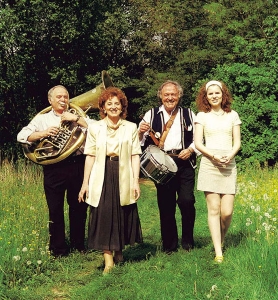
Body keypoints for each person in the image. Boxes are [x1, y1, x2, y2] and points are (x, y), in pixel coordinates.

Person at [17, 85, 91, 257]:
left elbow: (97, 131)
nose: (63, 100)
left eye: (65, 97)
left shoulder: (77, 114)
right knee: (55, 209)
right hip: (54, 168)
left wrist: (77, 119)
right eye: (58, 97)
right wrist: (43, 133)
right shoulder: (41, 119)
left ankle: (78, 245)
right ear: (50, 100)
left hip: (77, 164)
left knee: (79, 207)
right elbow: (21, 135)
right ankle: (58, 249)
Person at [78, 87, 142, 274]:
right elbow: (89, 155)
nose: (114, 107)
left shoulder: (131, 127)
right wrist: (85, 183)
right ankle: (109, 261)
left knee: (122, 211)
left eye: (117, 104)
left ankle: (119, 249)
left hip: (123, 173)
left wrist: (136, 181)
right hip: (101, 174)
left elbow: (135, 155)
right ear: (103, 107)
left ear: (122, 107)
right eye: (109, 104)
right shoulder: (95, 127)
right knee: (105, 214)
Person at [138, 80, 198, 253]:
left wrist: (191, 149)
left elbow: (199, 137)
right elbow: (139, 140)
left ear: (179, 95)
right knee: (166, 205)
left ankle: (188, 242)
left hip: (185, 161)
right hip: (162, 164)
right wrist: (141, 131)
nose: (170, 97)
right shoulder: (151, 114)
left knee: (187, 201)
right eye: (166, 95)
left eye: (173, 94)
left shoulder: (189, 113)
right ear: (161, 96)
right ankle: (169, 246)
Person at [194, 80, 241, 263]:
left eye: (217, 93)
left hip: (229, 163)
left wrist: (230, 155)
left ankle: (220, 238)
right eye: (210, 94)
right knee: (214, 209)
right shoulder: (202, 116)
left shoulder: (233, 115)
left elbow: (237, 142)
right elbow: (198, 143)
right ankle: (218, 252)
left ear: (223, 95)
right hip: (209, 163)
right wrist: (213, 156)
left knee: (227, 212)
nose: (214, 96)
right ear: (206, 97)